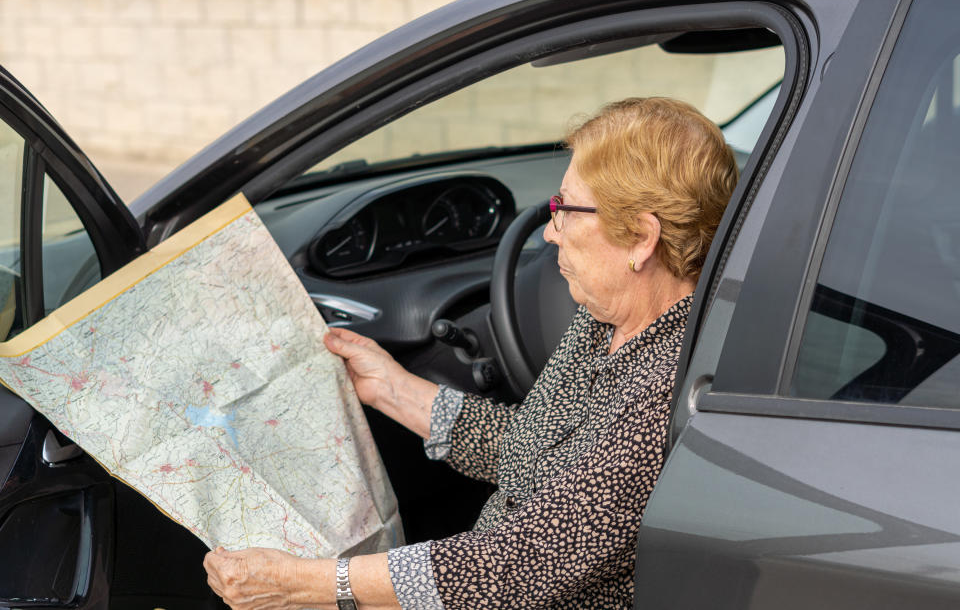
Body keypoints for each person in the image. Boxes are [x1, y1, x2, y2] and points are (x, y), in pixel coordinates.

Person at [203, 97, 738, 609]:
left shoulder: (664, 392)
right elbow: (532, 453)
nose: (550, 232)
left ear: (641, 238)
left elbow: (513, 568)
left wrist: (301, 586)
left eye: (566, 209)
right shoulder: (607, 319)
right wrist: (390, 387)